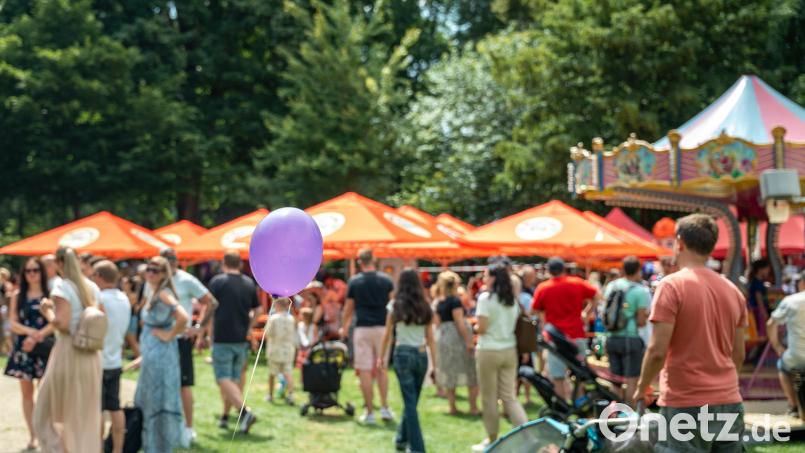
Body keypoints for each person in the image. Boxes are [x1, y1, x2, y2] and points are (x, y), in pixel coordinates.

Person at [635, 214, 747, 452]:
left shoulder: (672, 286)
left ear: (680, 242)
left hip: (686, 401)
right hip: (728, 400)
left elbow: (657, 351)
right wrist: (722, 384)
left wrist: (642, 385)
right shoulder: (733, 291)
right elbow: (738, 354)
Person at [34, 247, 104, 452]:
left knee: (45, 414)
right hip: (91, 354)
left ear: (59, 263)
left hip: (68, 351)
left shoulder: (62, 288)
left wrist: (47, 311)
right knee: (83, 414)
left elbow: (62, 324)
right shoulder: (92, 287)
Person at [153, 247, 217, 445]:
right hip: (158, 340)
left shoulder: (186, 280)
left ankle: (188, 429)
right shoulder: (155, 281)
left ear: (174, 263)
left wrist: (198, 328)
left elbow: (211, 302)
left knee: (183, 385)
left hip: (179, 340)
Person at [379, 269, 437, 453]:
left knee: (410, 403)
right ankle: (401, 440)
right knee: (411, 402)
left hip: (402, 355)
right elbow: (430, 339)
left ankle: (417, 448)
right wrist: (435, 364)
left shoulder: (395, 305)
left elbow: (387, 334)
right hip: (421, 356)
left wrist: (381, 357)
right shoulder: (426, 305)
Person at [135, 256, 189, 452]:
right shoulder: (152, 292)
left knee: (158, 400)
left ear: (164, 274)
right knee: (150, 399)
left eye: (155, 270)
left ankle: (159, 447)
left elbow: (183, 317)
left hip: (161, 356)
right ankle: (152, 445)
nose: (150, 273)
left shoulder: (164, 293)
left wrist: (169, 335)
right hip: (153, 355)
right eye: (148, 269)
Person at [472, 262, 528, 452]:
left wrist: (475, 327)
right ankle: (527, 434)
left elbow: (482, 328)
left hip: (489, 350)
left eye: (486, 275)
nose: (484, 279)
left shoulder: (485, 299)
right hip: (509, 350)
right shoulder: (512, 299)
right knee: (509, 398)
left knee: (489, 398)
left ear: (493, 278)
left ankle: (492, 438)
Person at [531, 257, 600, 400]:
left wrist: (545, 322)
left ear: (549, 271)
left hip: (554, 339)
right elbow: (597, 296)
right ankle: (581, 406)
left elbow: (535, 310)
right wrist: (587, 313)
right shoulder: (576, 283)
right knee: (580, 374)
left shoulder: (543, 287)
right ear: (564, 269)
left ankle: (562, 411)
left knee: (558, 377)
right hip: (577, 335)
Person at [208, 250, 262, 432]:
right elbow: (259, 309)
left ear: (223, 263)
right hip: (241, 339)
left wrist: (205, 333)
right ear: (240, 264)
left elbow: (209, 308)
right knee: (234, 380)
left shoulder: (217, 282)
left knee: (223, 378)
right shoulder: (248, 283)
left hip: (222, 337)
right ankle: (226, 416)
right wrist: (249, 326)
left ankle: (244, 412)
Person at [340, 248, 395, 424]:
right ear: (374, 259)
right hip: (382, 329)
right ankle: (385, 408)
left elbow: (348, 308)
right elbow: (393, 306)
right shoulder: (386, 280)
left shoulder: (355, 281)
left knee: (363, 370)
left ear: (359, 262)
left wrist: (344, 327)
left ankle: (370, 412)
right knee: (382, 368)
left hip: (362, 328)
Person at [4, 257, 53, 450]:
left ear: (42, 272)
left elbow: (56, 322)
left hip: (44, 347)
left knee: (45, 394)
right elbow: (13, 323)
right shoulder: (18, 294)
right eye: (28, 271)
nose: (32, 274)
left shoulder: (50, 294)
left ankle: (45, 432)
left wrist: (38, 336)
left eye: (36, 270)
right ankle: (33, 435)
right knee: (27, 394)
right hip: (24, 347)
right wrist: (31, 334)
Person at [92, 260, 132, 453]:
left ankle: (98, 448)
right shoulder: (124, 298)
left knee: (97, 409)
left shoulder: (99, 298)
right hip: (115, 359)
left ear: (99, 276)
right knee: (115, 407)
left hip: (98, 359)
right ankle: (118, 449)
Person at [603, 256, 650, 408]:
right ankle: (630, 416)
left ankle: (614, 416)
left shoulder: (612, 286)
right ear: (638, 270)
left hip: (611, 337)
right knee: (631, 380)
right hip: (630, 339)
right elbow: (641, 321)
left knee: (615, 381)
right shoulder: (639, 291)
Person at [433, 271, 479, 415]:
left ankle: (452, 407)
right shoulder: (455, 301)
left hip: (443, 338)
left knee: (449, 373)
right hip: (456, 338)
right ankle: (473, 407)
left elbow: (437, 323)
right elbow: (459, 322)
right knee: (471, 372)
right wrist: (469, 342)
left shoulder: (438, 302)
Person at [767, 271, 805, 419]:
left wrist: (777, 347)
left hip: (796, 356)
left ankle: (793, 406)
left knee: (782, 367)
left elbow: (771, 324)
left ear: (801, 284)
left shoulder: (791, 301)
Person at [266, 297, 297, 405]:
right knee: (288, 373)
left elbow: (268, 333)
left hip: (275, 348)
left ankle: (270, 395)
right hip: (288, 349)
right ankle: (291, 395)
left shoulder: (274, 318)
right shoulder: (291, 318)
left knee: (272, 373)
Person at [746, 258, 771, 338]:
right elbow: (758, 297)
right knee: (761, 332)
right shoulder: (757, 282)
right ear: (760, 269)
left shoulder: (757, 281)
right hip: (758, 309)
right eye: (767, 269)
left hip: (757, 309)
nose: (768, 271)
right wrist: (763, 311)